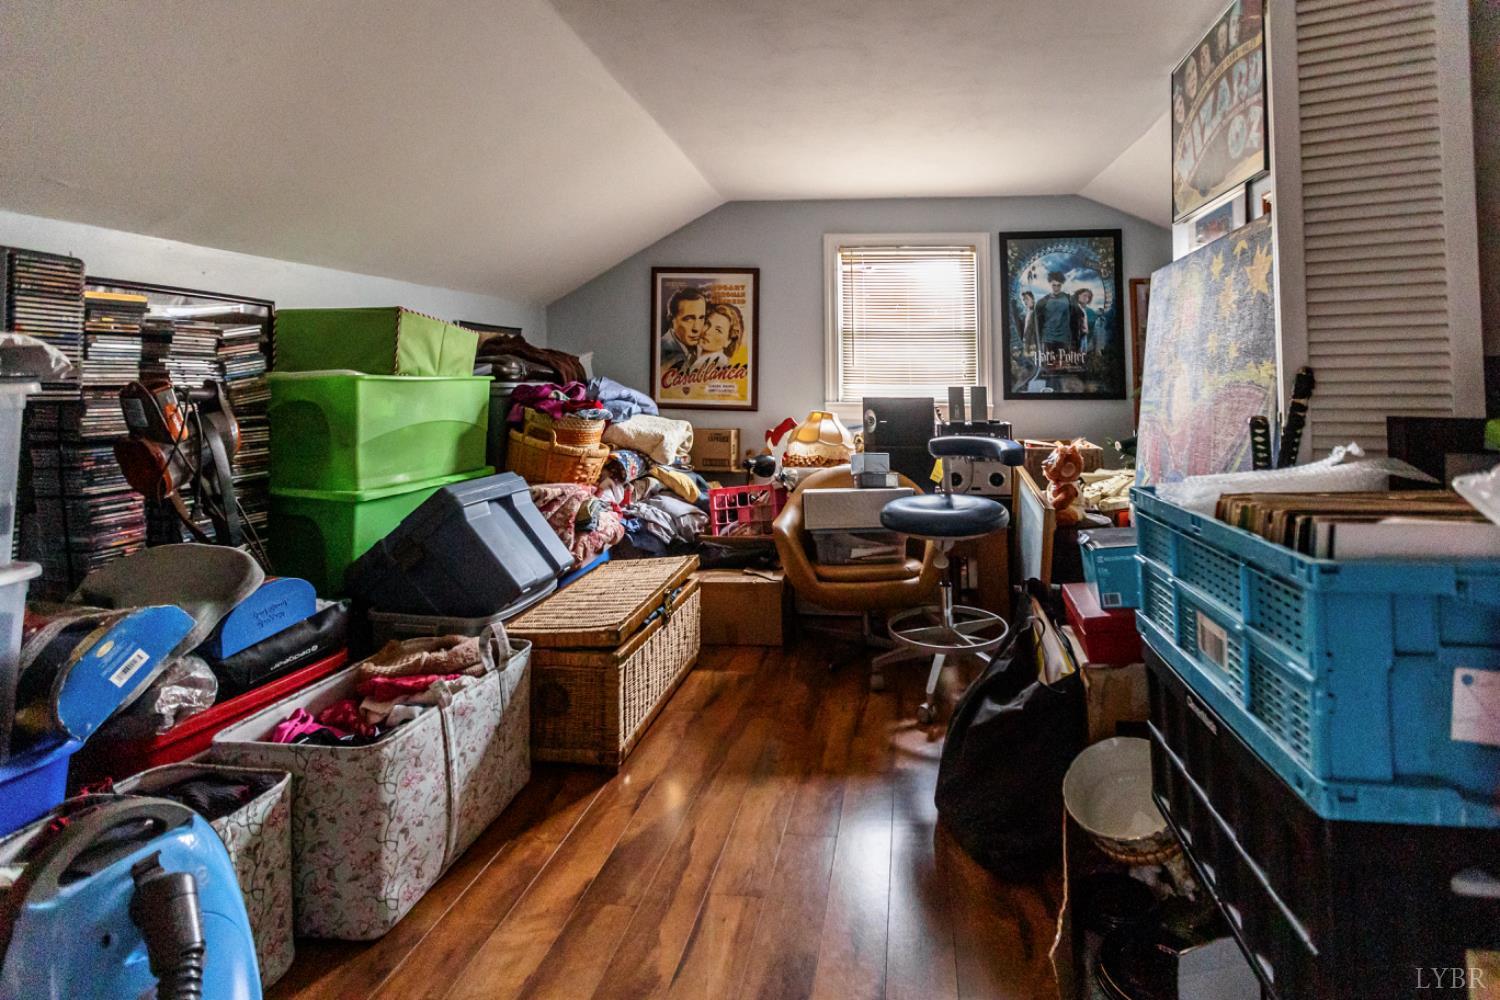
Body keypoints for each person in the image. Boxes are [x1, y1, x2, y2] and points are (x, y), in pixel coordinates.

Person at [1025, 271, 1084, 358]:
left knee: (1064, 366)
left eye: (1058, 285)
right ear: (1050, 284)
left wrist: (1076, 340)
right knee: (1048, 367)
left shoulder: (1069, 299)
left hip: (1064, 339)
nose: (1056, 288)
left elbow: (1079, 317)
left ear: (1062, 284)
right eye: (1054, 285)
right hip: (1047, 339)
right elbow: (1033, 323)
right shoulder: (1043, 302)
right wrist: (1028, 342)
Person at [660, 286, 707, 371]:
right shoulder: (660, 352)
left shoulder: (704, 349)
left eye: (701, 318)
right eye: (688, 319)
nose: (696, 328)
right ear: (671, 320)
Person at [694, 302, 743, 371]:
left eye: (718, 330)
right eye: (707, 324)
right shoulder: (697, 358)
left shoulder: (716, 362)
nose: (707, 332)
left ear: (728, 341)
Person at [1076, 288, 1105, 354]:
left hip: (1088, 346)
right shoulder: (1072, 309)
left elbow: (1097, 332)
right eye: (1084, 295)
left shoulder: (1092, 312)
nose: (1086, 298)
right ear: (1078, 296)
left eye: (1088, 296)